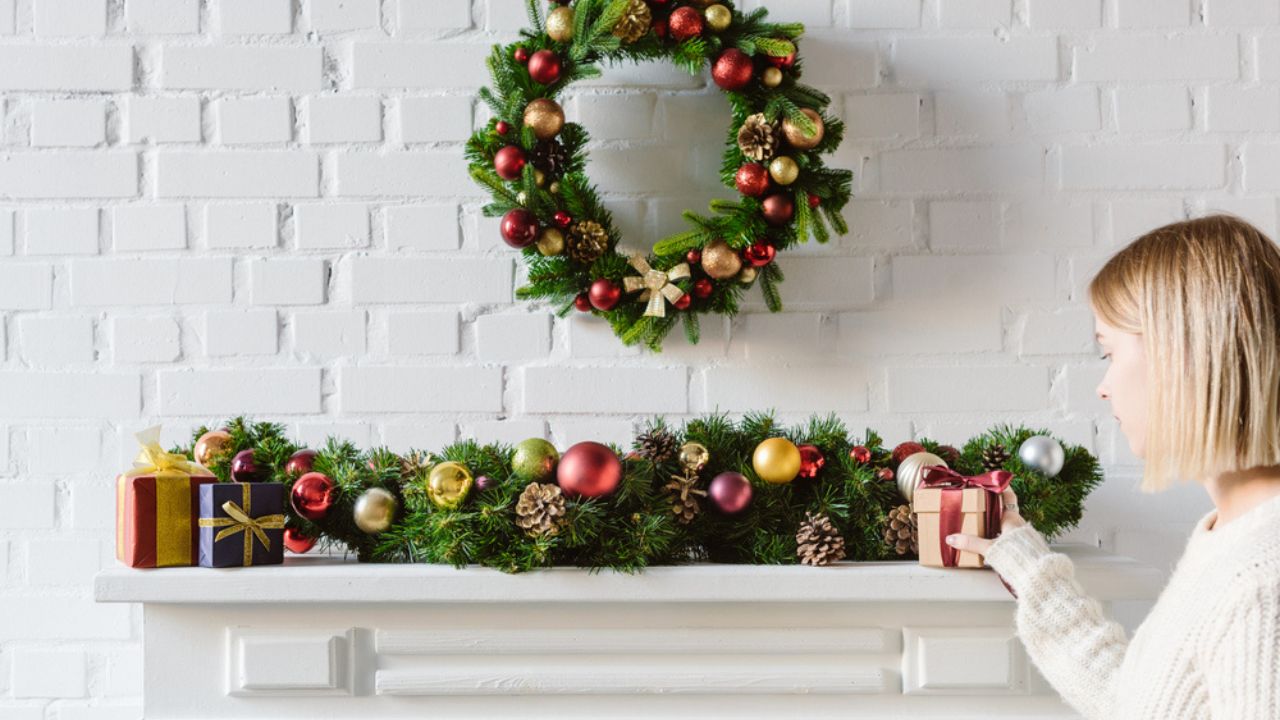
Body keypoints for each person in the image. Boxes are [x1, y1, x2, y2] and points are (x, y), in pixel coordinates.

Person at [947, 214, 1280, 719]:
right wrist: (1028, 566)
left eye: (1110, 352)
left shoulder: (1260, 580)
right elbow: (1136, 703)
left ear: (1182, 355)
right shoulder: (1229, 534)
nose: (1103, 387)